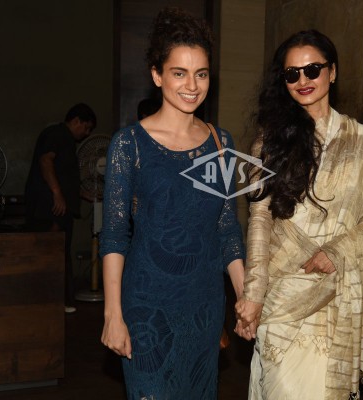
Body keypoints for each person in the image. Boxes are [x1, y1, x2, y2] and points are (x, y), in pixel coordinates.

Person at [234, 30, 363, 399]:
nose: (303, 80)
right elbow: (260, 222)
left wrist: (339, 251)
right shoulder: (269, 141)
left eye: (312, 70)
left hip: (335, 298)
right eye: (292, 74)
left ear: (332, 72)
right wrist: (253, 294)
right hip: (283, 298)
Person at [99, 7, 245, 400]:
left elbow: (226, 228)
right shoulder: (129, 145)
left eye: (202, 74)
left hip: (203, 308)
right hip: (146, 308)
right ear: (157, 75)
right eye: (179, 73)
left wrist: (244, 293)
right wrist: (113, 314)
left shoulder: (221, 143)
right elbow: (114, 235)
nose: (192, 86)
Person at [25, 103, 97, 314]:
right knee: (51, 251)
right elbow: (45, 161)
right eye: (86, 127)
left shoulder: (65, 140)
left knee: (59, 252)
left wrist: (84, 195)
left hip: (58, 206)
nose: (87, 134)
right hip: (50, 208)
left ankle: (59, 300)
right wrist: (57, 194)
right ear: (76, 121)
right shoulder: (56, 134)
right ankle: (50, 300)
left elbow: (65, 178)